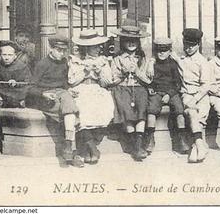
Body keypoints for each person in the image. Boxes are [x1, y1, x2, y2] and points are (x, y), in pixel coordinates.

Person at [25, 33, 83, 167]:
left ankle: (68, 148)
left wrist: (69, 89)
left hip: (61, 93)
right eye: (58, 50)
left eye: (64, 51)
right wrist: (43, 93)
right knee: (70, 114)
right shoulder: (42, 64)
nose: (61, 53)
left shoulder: (64, 63)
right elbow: (30, 87)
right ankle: (71, 150)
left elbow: (63, 84)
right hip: (46, 96)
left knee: (70, 107)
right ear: (51, 48)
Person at [68, 29, 114, 164]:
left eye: (98, 46)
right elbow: (72, 81)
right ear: (86, 48)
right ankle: (93, 149)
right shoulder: (75, 61)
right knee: (81, 112)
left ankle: (87, 150)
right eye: (94, 46)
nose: (98, 49)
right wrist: (84, 72)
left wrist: (99, 72)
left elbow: (107, 83)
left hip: (97, 89)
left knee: (102, 108)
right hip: (80, 89)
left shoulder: (102, 61)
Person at [110, 25, 151, 162]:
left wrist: (137, 73)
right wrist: (124, 73)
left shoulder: (143, 57)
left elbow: (148, 80)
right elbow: (113, 79)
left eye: (134, 40)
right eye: (128, 40)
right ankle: (134, 145)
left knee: (141, 109)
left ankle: (138, 145)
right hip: (122, 87)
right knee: (126, 110)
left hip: (139, 87)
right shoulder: (117, 58)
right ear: (123, 42)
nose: (131, 43)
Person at [143, 37, 189, 155]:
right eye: (159, 50)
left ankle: (182, 139)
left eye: (164, 50)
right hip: (157, 92)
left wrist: (169, 94)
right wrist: (151, 89)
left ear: (170, 51)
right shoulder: (152, 64)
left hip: (171, 92)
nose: (161, 53)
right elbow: (148, 81)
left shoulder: (173, 64)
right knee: (151, 110)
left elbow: (178, 83)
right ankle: (150, 138)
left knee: (179, 109)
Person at [173, 28, 211, 163]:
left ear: (198, 45)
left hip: (201, 95)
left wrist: (196, 99)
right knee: (192, 113)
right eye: (186, 45)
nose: (188, 48)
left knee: (199, 116)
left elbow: (206, 85)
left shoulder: (202, 62)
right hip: (187, 95)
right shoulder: (181, 59)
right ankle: (201, 144)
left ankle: (196, 147)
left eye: (192, 45)